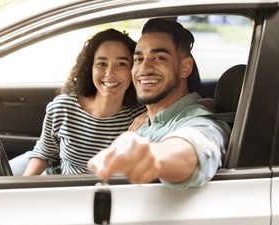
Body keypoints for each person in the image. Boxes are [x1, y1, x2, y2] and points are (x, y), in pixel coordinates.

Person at [87, 19, 232, 190]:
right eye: (138, 59)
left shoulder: (200, 122)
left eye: (159, 58)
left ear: (185, 68)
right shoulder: (148, 118)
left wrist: (152, 157)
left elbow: (197, 144)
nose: (144, 68)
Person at [9, 28, 146, 176]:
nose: (109, 73)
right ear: (90, 68)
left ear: (133, 69)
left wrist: (153, 115)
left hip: (112, 194)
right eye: (101, 64)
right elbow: (45, 153)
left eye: (121, 64)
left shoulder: (141, 116)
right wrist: (25, 186)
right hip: (67, 190)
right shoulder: (63, 108)